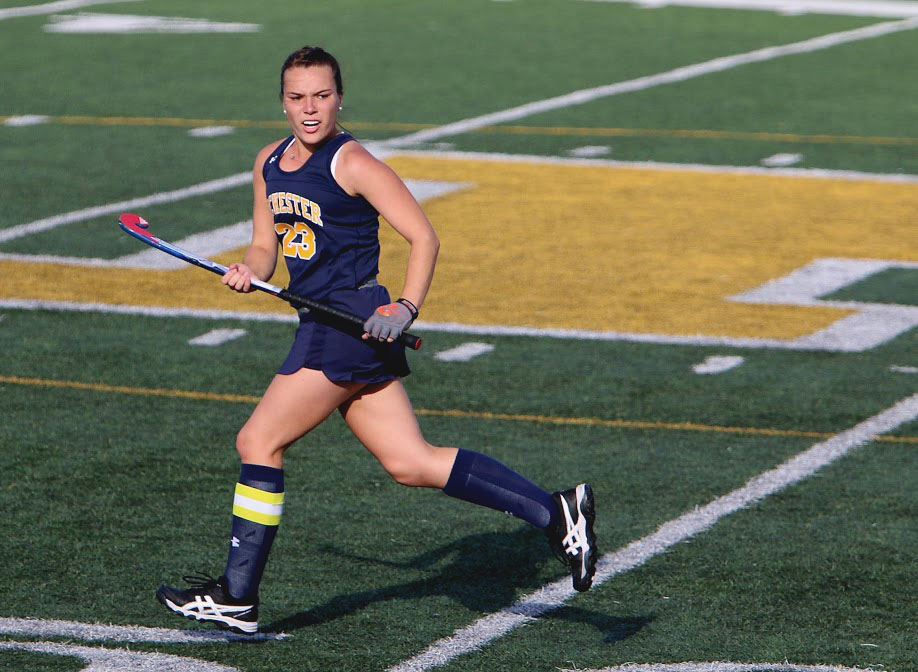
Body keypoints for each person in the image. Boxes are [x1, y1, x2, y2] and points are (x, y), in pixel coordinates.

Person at [155, 46, 597, 635]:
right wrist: (247, 270)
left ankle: (237, 597)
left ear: (340, 98)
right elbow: (265, 246)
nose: (310, 109)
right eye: (297, 97)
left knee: (258, 440)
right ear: (282, 101)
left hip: (349, 324)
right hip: (324, 322)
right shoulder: (268, 162)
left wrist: (406, 307)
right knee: (411, 463)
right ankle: (555, 511)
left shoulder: (354, 163)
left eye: (321, 96)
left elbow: (424, 237)